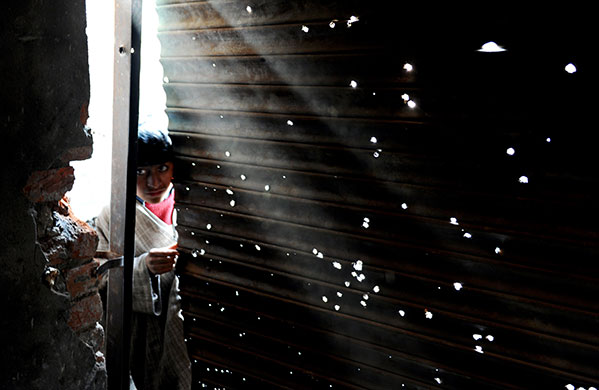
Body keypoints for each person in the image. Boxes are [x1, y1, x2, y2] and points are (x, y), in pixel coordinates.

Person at [95, 128, 191, 390]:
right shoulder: (114, 214)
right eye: (140, 171)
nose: (153, 182)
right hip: (140, 331)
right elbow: (100, 274)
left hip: (187, 323)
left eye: (162, 168)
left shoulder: (192, 208)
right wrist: (143, 267)